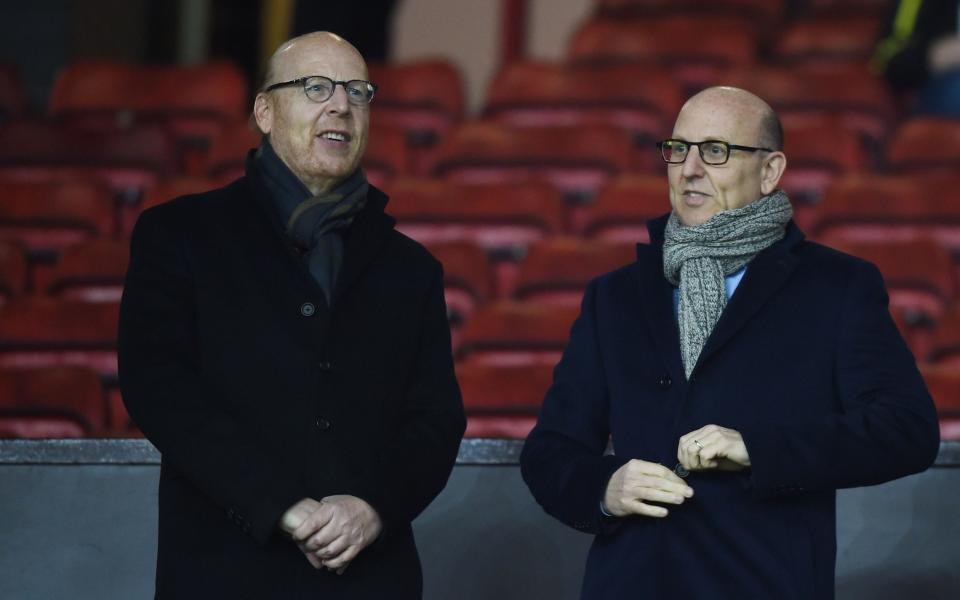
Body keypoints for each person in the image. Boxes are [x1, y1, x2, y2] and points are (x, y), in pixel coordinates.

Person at [519, 86, 940, 599]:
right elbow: (551, 451)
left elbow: (906, 429)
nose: (690, 168)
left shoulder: (837, 287)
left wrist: (756, 449)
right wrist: (604, 488)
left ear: (770, 171)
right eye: (678, 149)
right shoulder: (615, 296)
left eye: (715, 151)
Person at [118, 31, 465, 599]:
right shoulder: (180, 235)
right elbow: (159, 387)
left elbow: (435, 421)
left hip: (369, 579)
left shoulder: (413, 268)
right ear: (263, 111)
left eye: (358, 91)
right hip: (223, 574)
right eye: (315, 87)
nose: (341, 105)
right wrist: (281, 506)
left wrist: (373, 509)